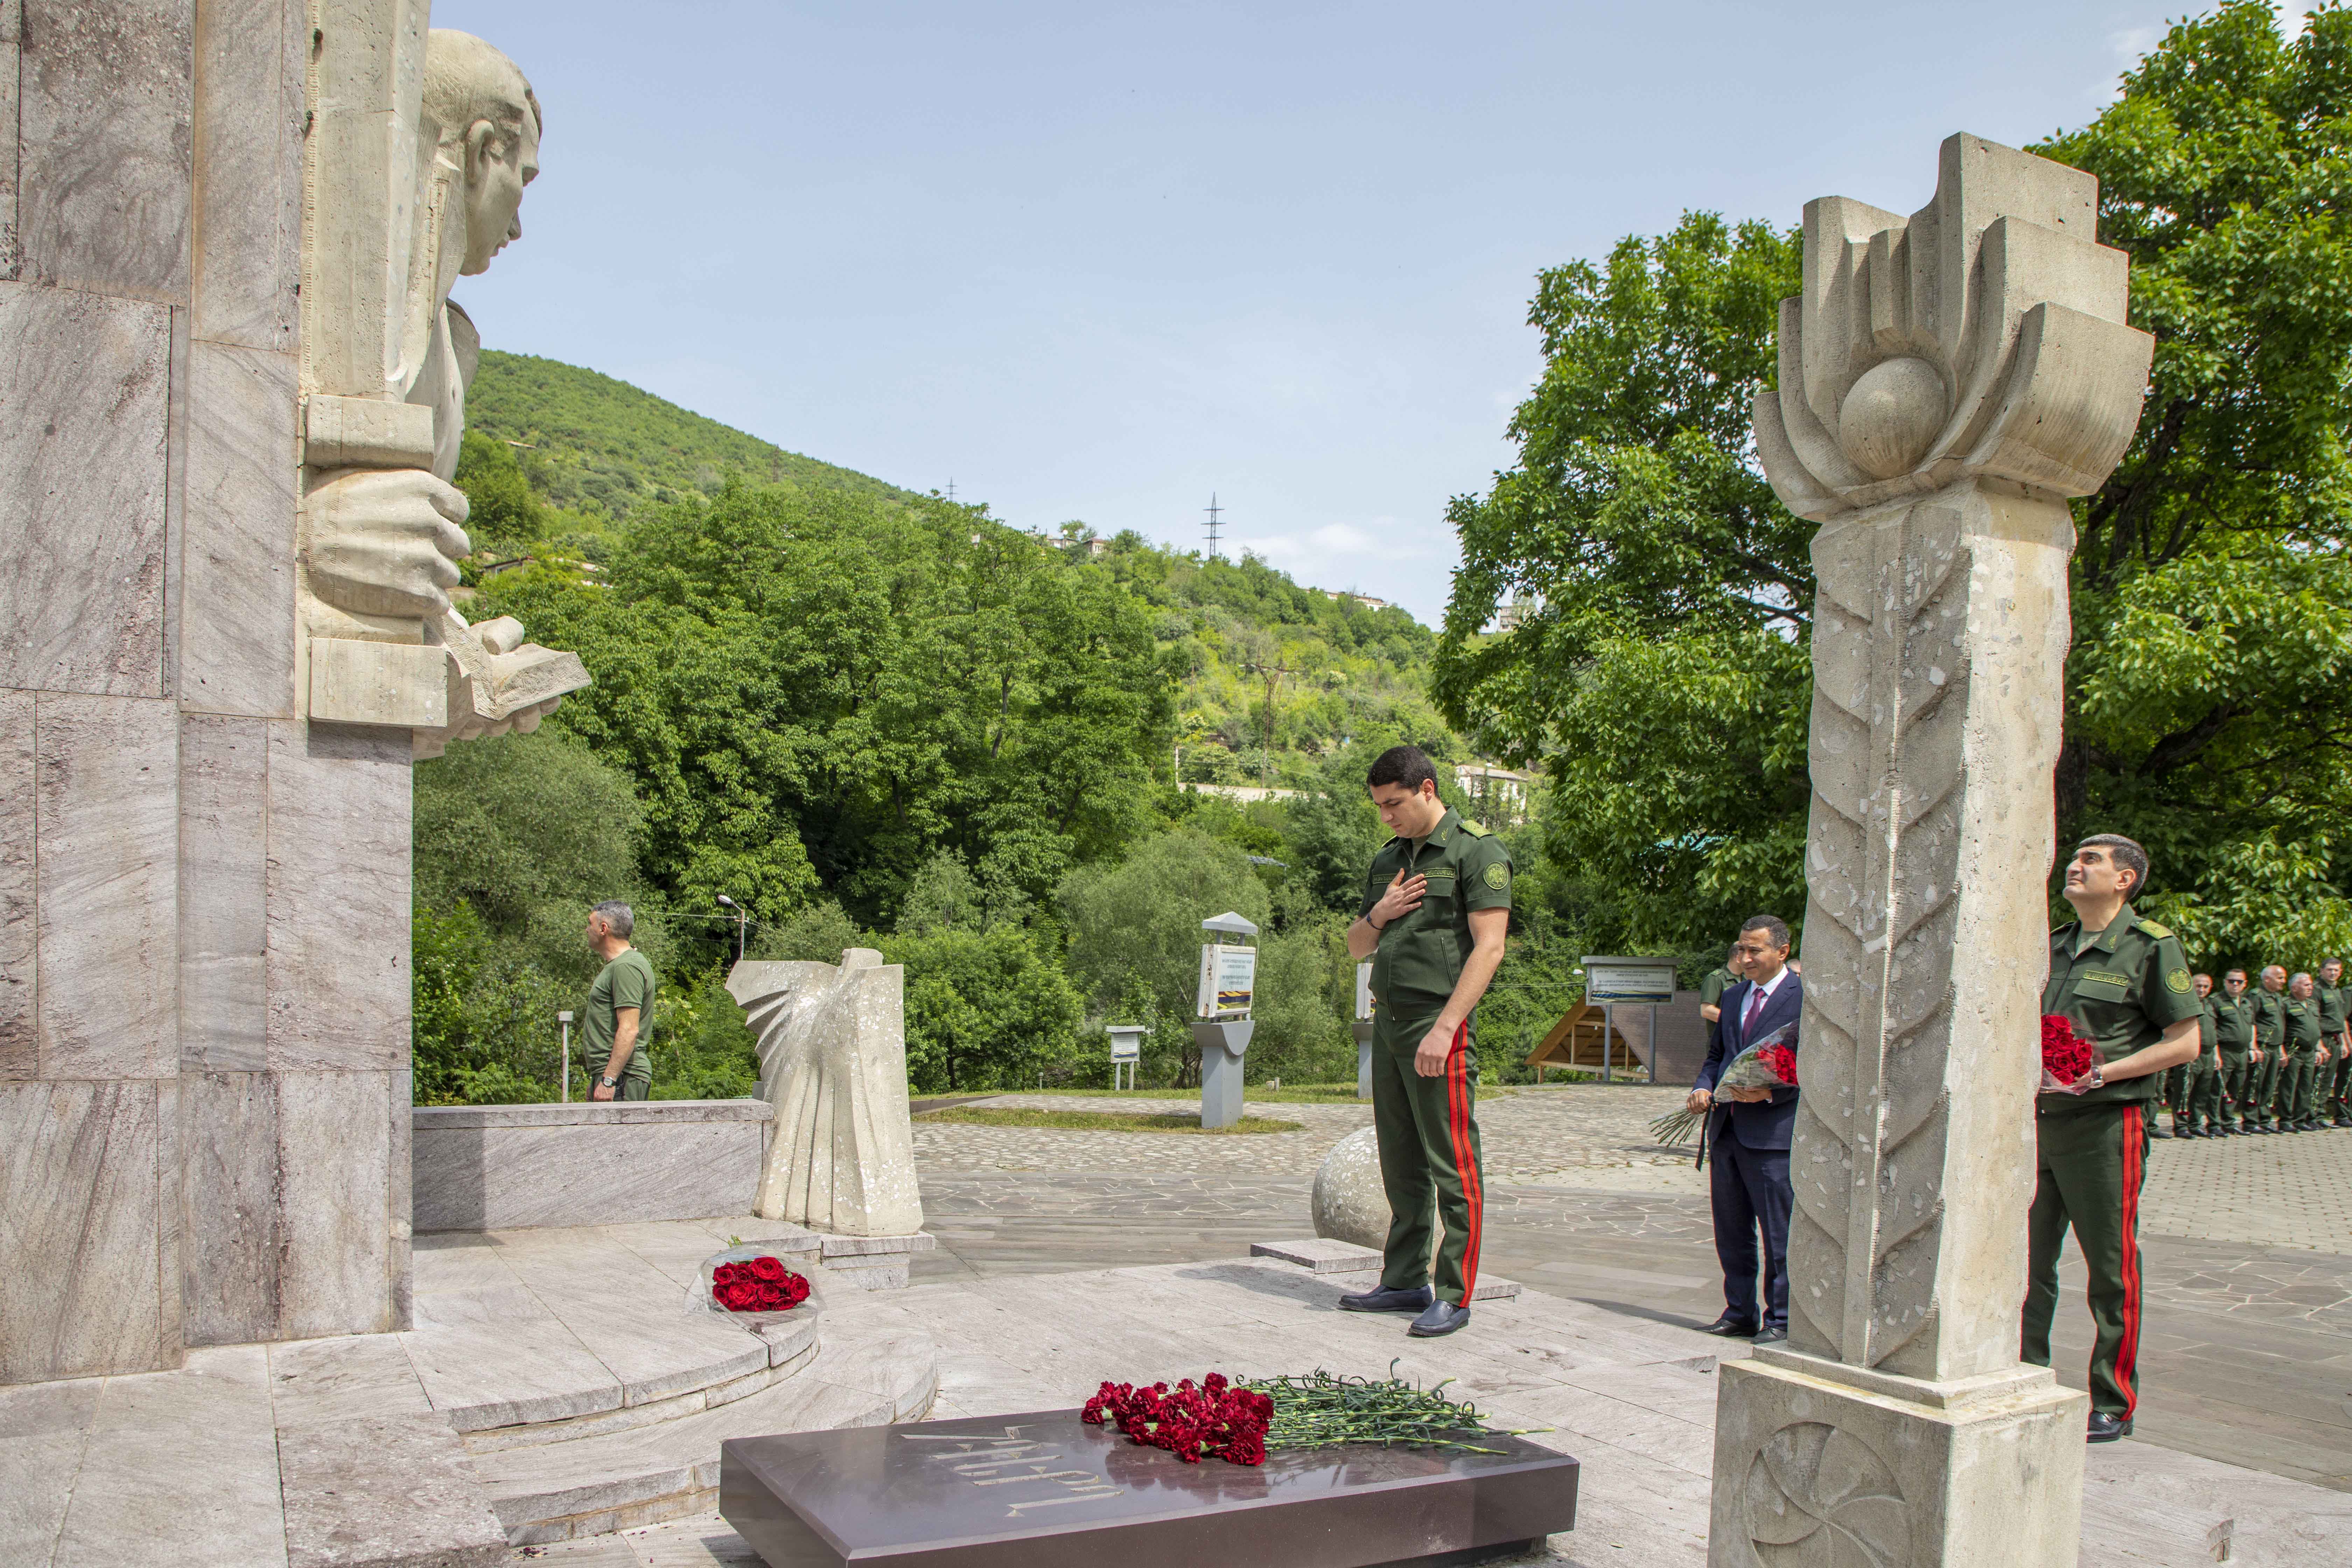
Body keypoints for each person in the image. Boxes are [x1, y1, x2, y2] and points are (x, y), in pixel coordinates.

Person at [2024, 835, 2201, 1443]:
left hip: (2105, 1124)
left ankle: (2113, 1399)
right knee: (2026, 1264)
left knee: (2111, 1268)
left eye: (2091, 861)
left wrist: (2102, 1074)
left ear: (2125, 879)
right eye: (2076, 858)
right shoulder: (2052, 946)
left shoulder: (2149, 946)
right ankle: (2025, 1372)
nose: (2075, 866)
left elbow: (2185, 1042)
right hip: (2038, 1123)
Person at [1337, 745, 1512, 1339]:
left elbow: (1490, 948)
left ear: (1428, 790)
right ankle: (1404, 1280)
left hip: (1438, 1024)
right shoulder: (1388, 859)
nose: (1386, 816)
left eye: (1395, 804)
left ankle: (1455, 1294)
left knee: (1454, 1164)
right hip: (1389, 1023)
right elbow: (1357, 946)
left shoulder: (1475, 851)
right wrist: (1381, 912)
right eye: (1379, 807)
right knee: (1400, 1161)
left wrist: (1446, 1028)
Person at [1689, 915, 1801, 1346]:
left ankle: (1782, 1318)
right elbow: (1716, 1056)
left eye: (1755, 950)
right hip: (1727, 1131)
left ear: (1782, 951)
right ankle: (1739, 1312)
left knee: (1778, 1233)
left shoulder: (1804, 998)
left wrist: (1771, 1093)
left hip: (1772, 1136)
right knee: (1732, 1230)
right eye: (1741, 949)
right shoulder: (1734, 997)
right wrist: (1702, 1087)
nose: (1746, 957)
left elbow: (1815, 1065)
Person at [582, 901, 657, 1101]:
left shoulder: (626, 967)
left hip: (623, 1078)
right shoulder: (620, 965)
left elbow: (629, 1029)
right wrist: (599, 1078)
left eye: (590, 923)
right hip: (616, 1077)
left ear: (603, 929)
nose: (587, 929)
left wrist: (609, 1080)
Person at [2174, 973, 2223, 1138]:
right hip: (2190, 1054)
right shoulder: (2185, 1003)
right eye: (2199, 986)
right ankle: (2181, 1126)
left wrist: (2216, 1055)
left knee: (2202, 1092)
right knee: (2184, 1091)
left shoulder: (2209, 1005)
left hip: (2208, 1054)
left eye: (2206, 987)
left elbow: (2213, 1031)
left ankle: (2195, 1124)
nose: (2202, 989)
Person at [2212, 968, 2254, 1135]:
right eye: (2232, 981)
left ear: (2245, 984)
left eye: (2239, 982)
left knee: (2235, 1088)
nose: (2235, 984)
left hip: (2242, 1052)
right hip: (2225, 1051)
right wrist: (2216, 1054)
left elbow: (2252, 1025)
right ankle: (2214, 1124)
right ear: (2225, 983)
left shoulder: (2246, 1003)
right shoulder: (2217, 1001)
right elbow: (2213, 1029)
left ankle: (2228, 1122)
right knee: (2218, 1089)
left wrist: (2253, 1047)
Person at [2248, 965, 2289, 1132]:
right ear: (2267, 979)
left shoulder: (2278, 997)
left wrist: (2281, 1049)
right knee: (2256, 1084)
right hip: (2262, 1046)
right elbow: (2251, 1021)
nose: (2283, 981)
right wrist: (2254, 1047)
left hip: (2275, 1047)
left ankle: (2264, 1120)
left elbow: (2280, 1025)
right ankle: (2251, 1121)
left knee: (2269, 1085)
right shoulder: (2257, 996)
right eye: (2280, 978)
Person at [2281, 973, 2323, 1131]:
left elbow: (2316, 1029)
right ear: (2294, 988)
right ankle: (2286, 1120)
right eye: (2306, 985)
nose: (2311, 988)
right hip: (2294, 1051)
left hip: (2310, 1052)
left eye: (2311, 985)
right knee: (2289, 1086)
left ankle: (2301, 1119)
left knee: (2306, 1086)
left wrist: (2319, 1048)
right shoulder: (2286, 1004)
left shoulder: (2312, 1004)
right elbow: (2281, 1028)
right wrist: (2282, 1050)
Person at [2318, 957, 2352, 1127]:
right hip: (2327, 1038)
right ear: (2322, 971)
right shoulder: (2347, 992)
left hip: (2337, 1038)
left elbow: (2339, 1019)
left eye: (2336, 970)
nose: (2333, 973)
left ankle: (2321, 1115)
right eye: (2330, 970)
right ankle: (2317, 1115)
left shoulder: (2336, 990)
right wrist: (2348, 1042)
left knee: (2330, 1079)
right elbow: (2342, 1018)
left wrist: (2344, 1042)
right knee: (2323, 1078)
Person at [1698, 944, 1740, 1057]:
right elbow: (1706, 1011)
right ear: (1738, 958)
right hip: (1722, 1042)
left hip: (1740, 1041)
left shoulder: (1748, 979)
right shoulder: (1716, 978)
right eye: (1747, 954)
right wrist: (1738, 1021)